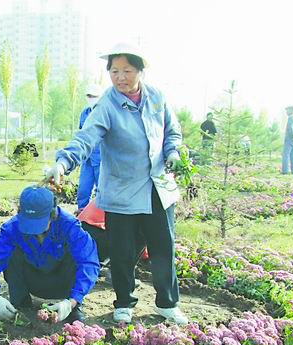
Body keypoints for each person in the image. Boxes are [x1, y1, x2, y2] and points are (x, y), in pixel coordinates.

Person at [46, 42, 189, 325]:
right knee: (122, 251)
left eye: (127, 70)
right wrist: (63, 162)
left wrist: (172, 151)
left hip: (157, 188)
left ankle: (167, 303)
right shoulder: (107, 105)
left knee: (163, 248)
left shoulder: (157, 98)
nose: (120, 77)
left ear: (140, 71)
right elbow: (85, 139)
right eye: (114, 71)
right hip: (122, 191)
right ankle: (124, 302)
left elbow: (172, 131)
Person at [0, 185, 100, 324]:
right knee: (10, 253)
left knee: (78, 256)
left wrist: (72, 301)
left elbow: (88, 263)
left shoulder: (69, 226)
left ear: (52, 214)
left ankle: (72, 308)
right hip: (32, 281)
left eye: (38, 223)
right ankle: (20, 304)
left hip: (63, 283)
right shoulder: (12, 228)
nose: (34, 230)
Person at [76, 84, 103, 212]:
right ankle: (82, 214)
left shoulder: (104, 113)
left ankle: (99, 216)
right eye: (89, 96)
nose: (90, 98)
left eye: (93, 96)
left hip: (101, 157)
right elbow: (81, 135)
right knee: (83, 188)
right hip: (87, 158)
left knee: (101, 190)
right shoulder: (84, 113)